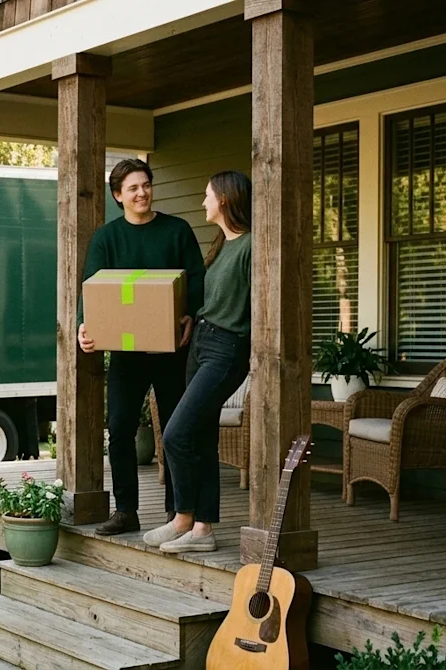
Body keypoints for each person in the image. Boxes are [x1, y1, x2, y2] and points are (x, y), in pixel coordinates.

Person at [78, 158, 206, 536]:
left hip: (172, 351)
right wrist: (84, 327)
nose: (142, 193)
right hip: (126, 354)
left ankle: (177, 511)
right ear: (118, 195)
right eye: (132, 188)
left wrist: (190, 316)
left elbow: (197, 282)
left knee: (176, 431)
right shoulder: (107, 238)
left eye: (146, 185)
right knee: (119, 428)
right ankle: (126, 511)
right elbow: (93, 290)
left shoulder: (177, 230)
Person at [144, 170, 253, 553]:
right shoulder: (223, 243)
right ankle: (201, 529)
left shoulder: (253, 246)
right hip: (201, 342)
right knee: (203, 437)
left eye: (207, 196)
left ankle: (183, 517)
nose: (203, 202)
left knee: (177, 434)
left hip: (227, 348)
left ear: (223, 200)